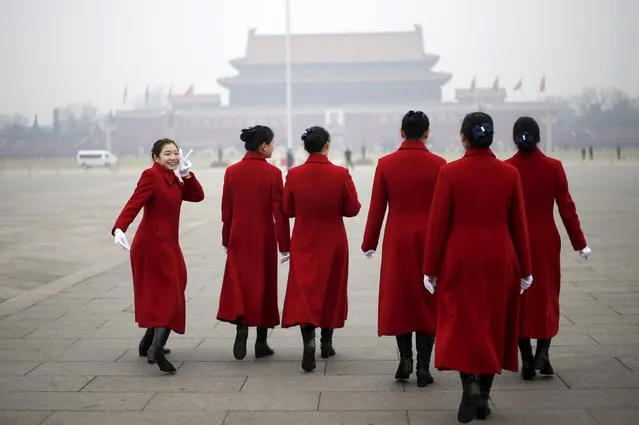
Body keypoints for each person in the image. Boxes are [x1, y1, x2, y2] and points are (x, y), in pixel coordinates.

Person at [422, 112, 532, 423]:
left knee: (462, 322)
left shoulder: (450, 173)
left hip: (460, 256)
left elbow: (438, 224)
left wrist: (429, 267)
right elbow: (518, 225)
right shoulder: (509, 174)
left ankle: (468, 382)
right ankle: (483, 396)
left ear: (463, 137)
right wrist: (526, 268)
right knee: (493, 323)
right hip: (500, 256)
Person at [361, 110, 445, 387]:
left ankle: (405, 359)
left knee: (401, 299)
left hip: (397, 240)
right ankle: (423, 367)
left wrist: (369, 243)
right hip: (430, 240)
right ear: (427, 133)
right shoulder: (439, 165)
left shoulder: (386, 163)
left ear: (401, 132)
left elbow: (377, 208)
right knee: (426, 300)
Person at [505, 117, 591, 380]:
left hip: (515, 241)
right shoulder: (554, 167)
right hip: (545, 241)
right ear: (539, 137)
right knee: (546, 296)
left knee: (518, 298)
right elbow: (567, 209)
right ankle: (543, 352)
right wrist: (580, 243)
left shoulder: (506, 169)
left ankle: (527, 358)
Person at [112, 138, 205, 373]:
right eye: (167, 154)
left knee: (175, 286)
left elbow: (197, 196)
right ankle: (156, 348)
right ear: (155, 158)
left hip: (168, 244)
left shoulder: (173, 177)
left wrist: (187, 173)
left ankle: (146, 343)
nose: (173, 158)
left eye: (176, 153)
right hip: (152, 244)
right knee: (169, 295)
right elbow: (135, 202)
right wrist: (120, 227)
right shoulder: (151, 176)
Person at [281, 126, 361, 372]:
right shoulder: (340, 174)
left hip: (304, 238)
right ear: (327, 144)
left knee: (306, 290)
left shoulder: (294, 174)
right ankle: (327, 342)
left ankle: (309, 342)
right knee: (331, 288)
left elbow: (288, 210)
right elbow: (352, 209)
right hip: (333, 239)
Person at [217, 126, 291, 360]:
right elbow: (279, 213)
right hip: (263, 237)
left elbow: (226, 210)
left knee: (240, 283)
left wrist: (226, 237)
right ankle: (261, 342)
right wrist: (285, 245)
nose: (274, 147)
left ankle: (241, 327)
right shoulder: (272, 174)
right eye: (272, 143)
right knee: (263, 286)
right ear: (264, 146)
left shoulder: (231, 172)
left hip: (238, 235)